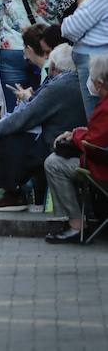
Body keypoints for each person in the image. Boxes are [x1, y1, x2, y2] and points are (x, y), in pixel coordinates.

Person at [0, 43, 84, 212]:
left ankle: (12, 193)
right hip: (61, 139)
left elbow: (26, 117)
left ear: (54, 66)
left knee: (5, 139)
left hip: (53, 142)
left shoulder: (60, 86)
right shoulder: (71, 82)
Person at [43, 53, 108, 244]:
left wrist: (76, 136)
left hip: (103, 170)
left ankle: (76, 224)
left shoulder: (105, 107)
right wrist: (79, 132)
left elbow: (93, 143)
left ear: (99, 84)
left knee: (54, 163)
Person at [51, 0, 108, 118]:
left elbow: (70, 28)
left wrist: (81, 8)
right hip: (92, 58)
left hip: (93, 62)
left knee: (96, 122)